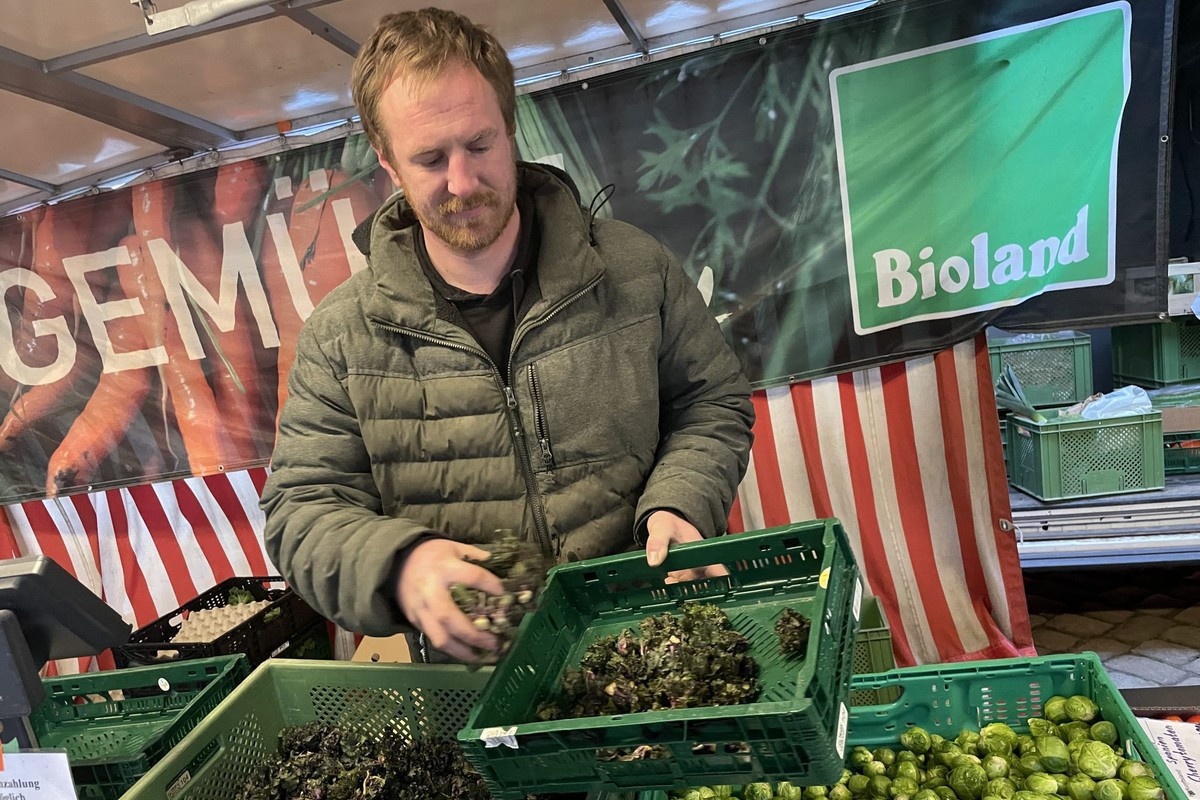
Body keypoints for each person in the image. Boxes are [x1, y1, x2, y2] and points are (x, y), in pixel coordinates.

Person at [260, 7, 755, 664]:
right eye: (430, 159)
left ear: (510, 126)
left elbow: (711, 404)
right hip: (478, 686)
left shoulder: (635, 271)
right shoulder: (342, 339)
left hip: (647, 644)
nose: (462, 183)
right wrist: (401, 565)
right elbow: (302, 508)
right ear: (386, 160)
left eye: (480, 145)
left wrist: (680, 504)